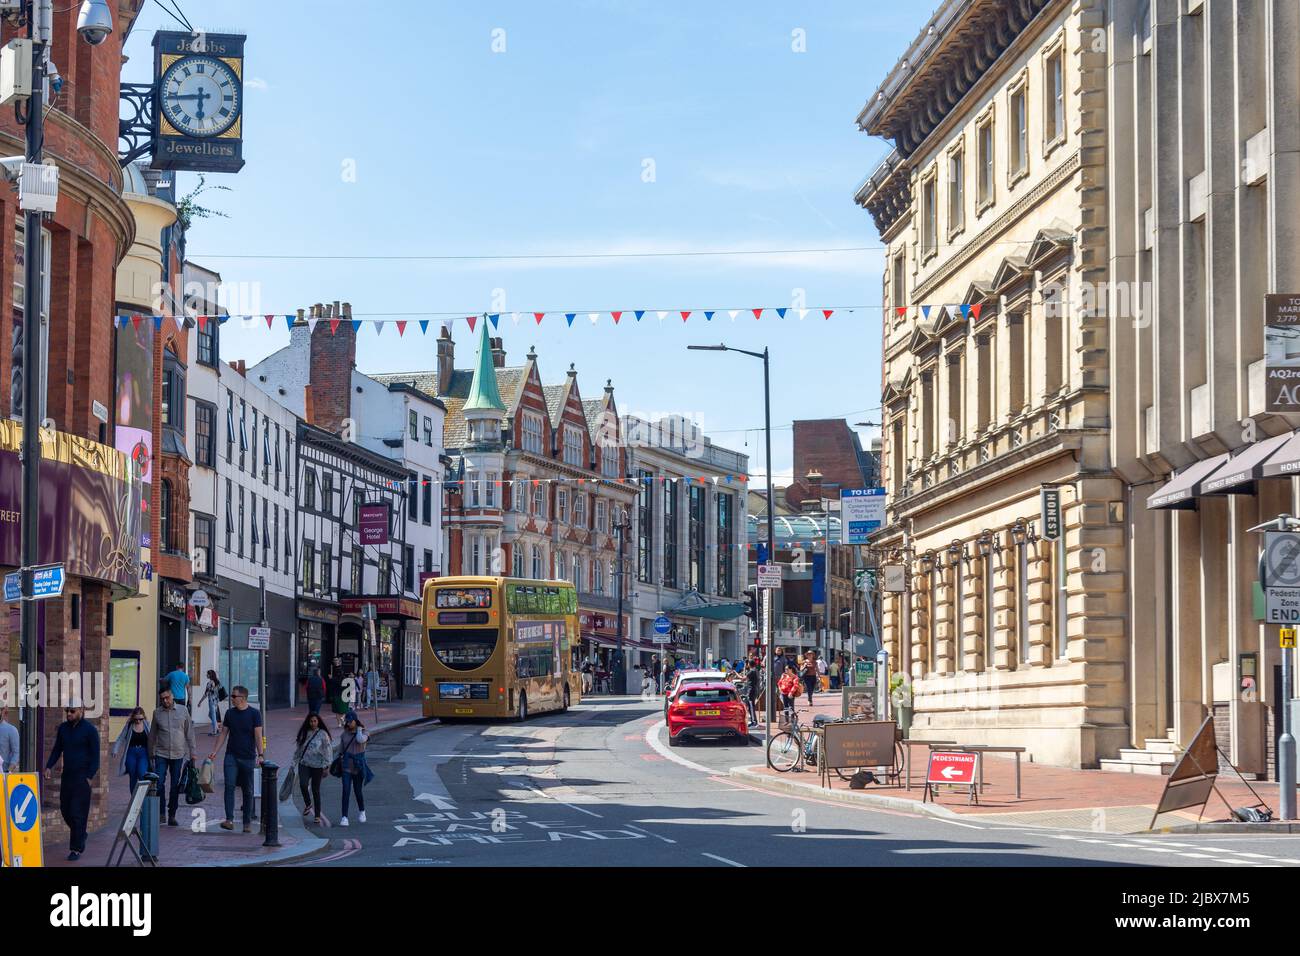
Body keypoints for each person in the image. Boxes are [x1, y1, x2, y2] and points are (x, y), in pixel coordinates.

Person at [43, 699, 99, 861]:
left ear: (81, 710)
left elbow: (95, 757)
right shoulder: (63, 729)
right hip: (67, 776)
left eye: (72, 711)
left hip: (82, 778)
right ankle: (81, 834)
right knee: (65, 810)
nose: (69, 714)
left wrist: (89, 777)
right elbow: (56, 750)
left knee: (77, 813)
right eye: (67, 710)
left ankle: (76, 848)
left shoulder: (90, 730)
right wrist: (48, 766)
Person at [207, 685, 264, 833]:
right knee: (229, 786)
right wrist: (215, 751)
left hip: (248, 757)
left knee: (248, 789)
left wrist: (261, 754)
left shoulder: (254, 714)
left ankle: (247, 822)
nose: (231, 699)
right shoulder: (229, 713)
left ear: (243, 698)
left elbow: (258, 736)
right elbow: (223, 734)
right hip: (231, 755)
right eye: (231, 696)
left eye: (234, 696)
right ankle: (229, 819)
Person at [149, 688, 197, 826]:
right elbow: (152, 735)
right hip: (161, 754)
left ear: (172, 696)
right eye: (162, 698)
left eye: (167, 697)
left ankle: (172, 814)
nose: (165, 700)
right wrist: (150, 753)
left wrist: (193, 752)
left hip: (178, 754)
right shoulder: (157, 713)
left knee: (175, 785)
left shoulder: (183, 711)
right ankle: (161, 813)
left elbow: (190, 733)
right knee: (159, 783)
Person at [295, 712, 333, 826]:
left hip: (317, 765)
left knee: (316, 790)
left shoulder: (323, 734)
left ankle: (317, 815)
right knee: (303, 784)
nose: (313, 723)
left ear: (318, 721)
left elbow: (328, 750)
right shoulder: (304, 733)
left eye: (315, 721)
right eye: (311, 721)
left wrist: (327, 766)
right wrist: (293, 764)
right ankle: (308, 804)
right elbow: (298, 750)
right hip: (304, 763)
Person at [337, 711, 373, 827]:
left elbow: (360, 740)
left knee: (357, 791)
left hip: (358, 766)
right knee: (345, 790)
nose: (348, 723)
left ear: (355, 721)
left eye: (351, 721)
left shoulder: (364, 732)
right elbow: (341, 750)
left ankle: (362, 811)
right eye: (347, 721)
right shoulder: (344, 734)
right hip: (347, 766)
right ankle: (344, 817)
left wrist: (358, 729)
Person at [111, 707, 152, 796]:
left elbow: (153, 738)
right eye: (136, 719)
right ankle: (134, 800)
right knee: (133, 776)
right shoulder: (129, 725)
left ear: (144, 717)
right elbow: (121, 738)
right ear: (133, 718)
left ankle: (142, 798)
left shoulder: (147, 725)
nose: (138, 721)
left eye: (140, 719)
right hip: (131, 752)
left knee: (142, 773)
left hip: (143, 752)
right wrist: (115, 749)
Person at [197, 670, 224, 735]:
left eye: (207, 674)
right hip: (216, 701)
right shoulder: (217, 682)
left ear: (210, 675)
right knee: (211, 715)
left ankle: (215, 731)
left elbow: (206, 694)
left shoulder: (209, 683)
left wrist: (200, 702)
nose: (206, 675)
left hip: (211, 701)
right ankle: (216, 728)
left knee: (213, 716)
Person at [0, 705, 19, 773]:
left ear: (3, 711)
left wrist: (9, 771)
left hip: (3, 772)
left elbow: (16, 753)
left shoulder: (11, 730)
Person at [744, 658, 761, 727]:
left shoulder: (752, 671)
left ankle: (754, 721)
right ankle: (752, 720)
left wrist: (735, 673)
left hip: (751, 690)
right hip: (753, 689)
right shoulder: (755, 670)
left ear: (749, 664)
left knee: (751, 706)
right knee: (749, 705)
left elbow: (743, 678)